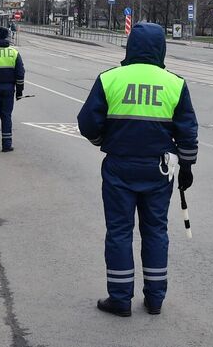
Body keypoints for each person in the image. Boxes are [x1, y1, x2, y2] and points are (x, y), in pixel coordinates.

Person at [78, 22, 198, 317]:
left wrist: (101, 140)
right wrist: (186, 166)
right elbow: (187, 131)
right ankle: (155, 299)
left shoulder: (110, 79)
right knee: (155, 231)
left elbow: (87, 123)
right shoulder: (174, 83)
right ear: (161, 49)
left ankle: (120, 299)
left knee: (119, 232)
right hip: (158, 170)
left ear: (130, 47)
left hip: (119, 166)